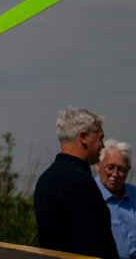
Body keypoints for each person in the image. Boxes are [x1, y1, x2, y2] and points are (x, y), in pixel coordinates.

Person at [33, 107, 118, 258]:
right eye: (100, 138)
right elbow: (95, 243)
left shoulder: (45, 178)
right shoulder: (80, 181)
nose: (103, 146)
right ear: (84, 137)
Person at [98, 140, 136, 259]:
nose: (115, 174)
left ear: (128, 170)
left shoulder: (134, 195)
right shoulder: (89, 193)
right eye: (110, 167)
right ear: (99, 165)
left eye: (121, 169)